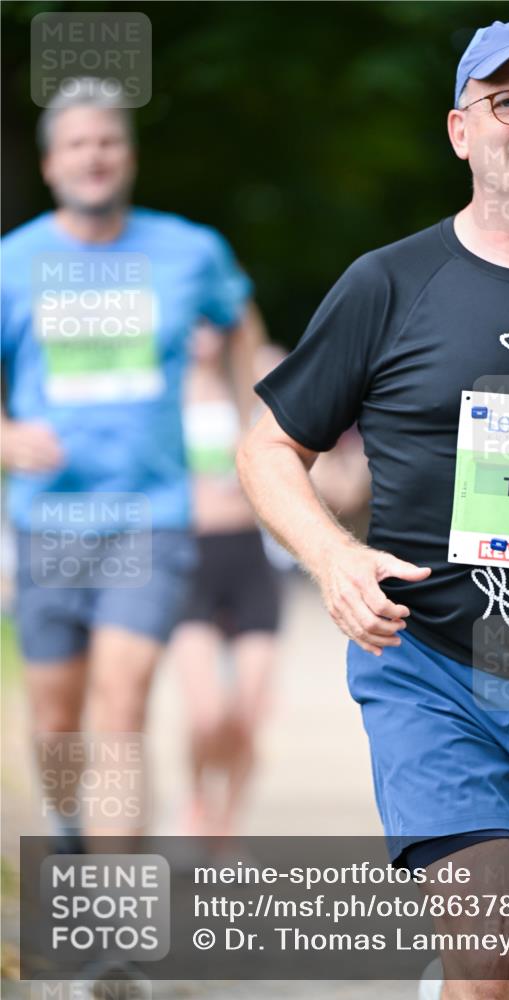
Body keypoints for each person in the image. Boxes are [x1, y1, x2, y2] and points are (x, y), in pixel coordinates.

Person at [237, 18, 509, 1000]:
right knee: (489, 953)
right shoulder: (388, 283)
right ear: (459, 130)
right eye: (507, 102)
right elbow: (268, 448)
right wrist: (334, 557)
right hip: (435, 665)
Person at [0, 78, 258, 844]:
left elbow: (242, 332)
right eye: (77, 144)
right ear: (52, 165)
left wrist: (256, 438)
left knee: (123, 702)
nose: (94, 156)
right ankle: (68, 834)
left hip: (149, 516)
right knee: (56, 719)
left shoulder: (189, 251)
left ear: (130, 156)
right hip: (47, 518)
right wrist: (6, 437)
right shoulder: (12, 263)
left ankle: (112, 923)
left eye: (108, 141)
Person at [170, 322, 282, 843]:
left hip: (248, 559)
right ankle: (195, 801)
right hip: (189, 557)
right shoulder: (164, 391)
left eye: (213, 319)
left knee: (247, 714)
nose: (203, 332)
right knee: (208, 713)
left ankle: (226, 829)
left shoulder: (253, 385)